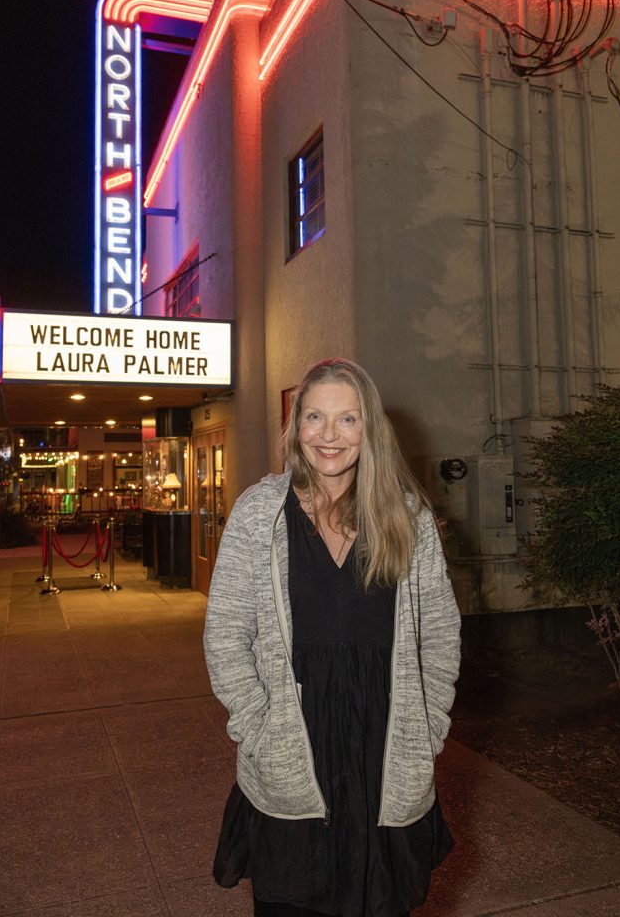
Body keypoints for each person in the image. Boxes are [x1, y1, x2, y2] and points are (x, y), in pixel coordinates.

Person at [204, 358, 461, 917]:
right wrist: (259, 730)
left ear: (370, 428)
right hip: (291, 751)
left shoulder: (406, 516)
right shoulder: (258, 515)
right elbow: (225, 635)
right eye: (315, 417)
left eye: (347, 419)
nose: (329, 435)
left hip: (385, 752)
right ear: (295, 426)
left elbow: (438, 635)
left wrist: (430, 725)